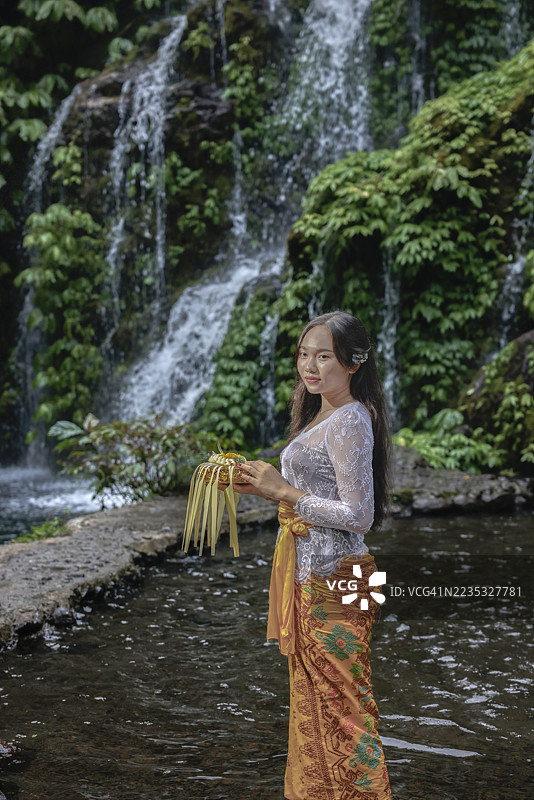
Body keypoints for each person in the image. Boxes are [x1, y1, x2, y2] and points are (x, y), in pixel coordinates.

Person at [233, 310, 393, 800]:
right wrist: (265, 488)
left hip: (342, 579)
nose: (311, 365)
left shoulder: (349, 419)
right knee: (314, 703)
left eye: (324, 355)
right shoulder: (323, 411)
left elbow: (359, 514)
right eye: (305, 354)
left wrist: (284, 492)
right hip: (316, 577)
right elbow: (309, 493)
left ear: (353, 362)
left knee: (347, 707)